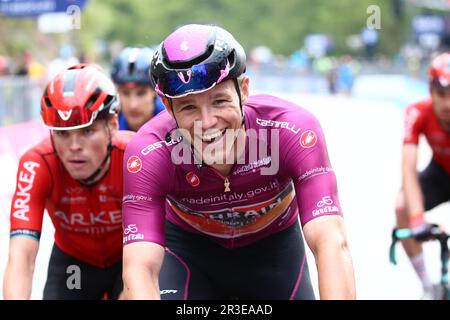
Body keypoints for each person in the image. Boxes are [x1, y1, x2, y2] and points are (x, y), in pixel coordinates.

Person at [122, 24, 355, 300]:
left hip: (273, 253)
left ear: (244, 90)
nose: (207, 123)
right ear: (167, 106)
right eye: (188, 107)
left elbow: (331, 243)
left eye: (219, 101)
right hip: (188, 255)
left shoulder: (290, 130)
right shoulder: (149, 152)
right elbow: (140, 270)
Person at [3, 64, 134, 299]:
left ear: (113, 126)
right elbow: (21, 259)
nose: (74, 146)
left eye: (87, 131)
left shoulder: (134, 155)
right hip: (75, 265)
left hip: (131, 259)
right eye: (62, 133)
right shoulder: (37, 163)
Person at [395, 52, 450, 300]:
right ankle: (429, 285)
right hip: (440, 172)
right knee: (401, 207)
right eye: (441, 94)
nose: (448, 104)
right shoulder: (417, 112)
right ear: (430, 90)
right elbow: (408, 167)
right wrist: (416, 218)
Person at [111, 47, 165, 131]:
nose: (133, 105)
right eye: (125, 93)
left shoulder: (175, 123)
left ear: (155, 92)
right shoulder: (109, 128)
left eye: (141, 93)